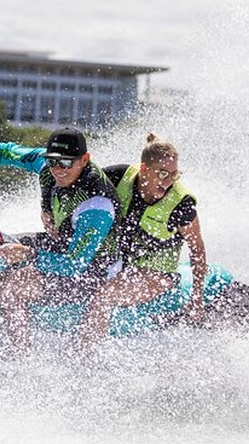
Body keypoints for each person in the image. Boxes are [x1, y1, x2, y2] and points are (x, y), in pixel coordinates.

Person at [0, 127, 119, 353]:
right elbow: (9, 152)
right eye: (52, 161)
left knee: (9, 287)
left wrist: (29, 254)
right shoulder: (50, 166)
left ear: (84, 159)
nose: (58, 169)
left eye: (66, 163)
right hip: (60, 246)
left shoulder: (97, 206)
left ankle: (21, 354)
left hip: (92, 271)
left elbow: (75, 265)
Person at [77, 132, 207, 350]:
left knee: (103, 296)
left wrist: (197, 298)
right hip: (116, 264)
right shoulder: (118, 176)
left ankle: (81, 359)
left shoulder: (181, 205)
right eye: (163, 173)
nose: (168, 182)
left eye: (174, 175)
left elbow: (197, 249)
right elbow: (76, 183)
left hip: (157, 275)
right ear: (144, 169)